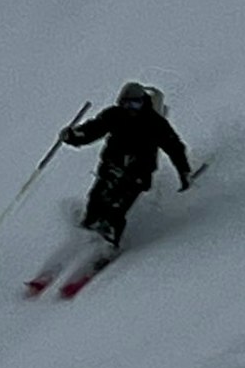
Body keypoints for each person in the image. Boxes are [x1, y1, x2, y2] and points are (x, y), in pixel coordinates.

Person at [63, 83, 192, 249]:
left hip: (137, 175)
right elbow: (92, 130)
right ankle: (86, 234)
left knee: (116, 209)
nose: (130, 108)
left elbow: (175, 148)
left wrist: (184, 172)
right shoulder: (114, 115)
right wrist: (73, 136)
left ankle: (108, 245)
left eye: (135, 103)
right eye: (126, 103)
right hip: (111, 168)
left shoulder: (154, 123)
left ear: (143, 102)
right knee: (96, 201)